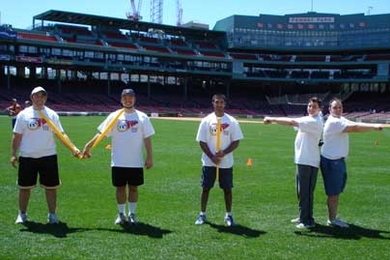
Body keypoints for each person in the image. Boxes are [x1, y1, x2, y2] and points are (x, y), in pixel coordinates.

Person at [82, 89, 154, 225]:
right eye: (125, 97)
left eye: (131, 97)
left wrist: (150, 157)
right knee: (120, 188)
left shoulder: (143, 117)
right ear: (121, 100)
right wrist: (89, 145)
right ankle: (121, 214)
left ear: (135, 99)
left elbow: (147, 139)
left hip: (135, 162)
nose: (128, 100)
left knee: (133, 188)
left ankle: (132, 214)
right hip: (118, 161)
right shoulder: (114, 116)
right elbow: (102, 134)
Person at [10, 86, 80, 224]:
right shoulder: (23, 115)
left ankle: (52, 215)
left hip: (48, 156)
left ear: (45, 98)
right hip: (27, 156)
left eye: (42, 96)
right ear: (32, 98)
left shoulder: (52, 115)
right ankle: (22, 214)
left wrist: (73, 149)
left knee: (51, 188)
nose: (39, 98)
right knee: (24, 188)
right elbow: (16, 136)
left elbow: (61, 134)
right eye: (36, 96)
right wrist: (13, 154)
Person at [320, 98, 383, 228]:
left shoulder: (340, 119)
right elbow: (354, 128)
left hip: (337, 161)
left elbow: (352, 123)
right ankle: (332, 219)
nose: (338, 109)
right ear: (330, 109)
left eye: (340, 107)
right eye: (335, 107)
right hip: (332, 162)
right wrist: (373, 126)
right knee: (333, 193)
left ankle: (333, 217)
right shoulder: (334, 122)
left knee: (336, 192)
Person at [264, 97, 323, 229]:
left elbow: (291, 122)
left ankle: (307, 220)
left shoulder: (313, 121)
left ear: (319, 109)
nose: (310, 108)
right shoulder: (311, 120)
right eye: (309, 106)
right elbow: (295, 124)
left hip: (308, 161)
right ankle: (303, 215)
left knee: (305, 192)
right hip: (303, 159)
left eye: (314, 106)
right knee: (302, 191)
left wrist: (272, 119)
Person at [194, 93, 244, 226]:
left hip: (226, 162)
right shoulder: (206, 120)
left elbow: (236, 141)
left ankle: (229, 215)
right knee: (205, 188)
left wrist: (224, 153)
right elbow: (202, 142)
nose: (219, 104)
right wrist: (212, 157)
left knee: (227, 189)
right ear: (213, 103)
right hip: (209, 161)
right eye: (217, 102)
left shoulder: (232, 121)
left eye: (221, 102)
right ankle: (202, 214)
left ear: (225, 104)